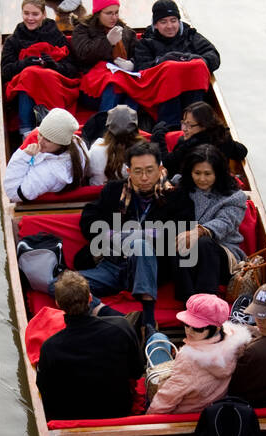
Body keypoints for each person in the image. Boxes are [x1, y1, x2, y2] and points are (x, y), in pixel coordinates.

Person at [77, 141, 195, 331]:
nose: (145, 177)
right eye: (138, 171)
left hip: (152, 267)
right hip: (113, 265)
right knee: (59, 285)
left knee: (140, 245)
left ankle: (148, 323)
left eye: (150, 170)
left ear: (160, 169)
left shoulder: (176, 196)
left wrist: (141, 236)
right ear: (128, 171)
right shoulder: (114, 190)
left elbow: (182, 233)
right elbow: (89, 220)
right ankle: (116, 316)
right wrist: (110, 235)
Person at [36, 271, 143, 421]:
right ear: (90, 299)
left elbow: (46, 390)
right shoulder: (122, 327)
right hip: (118, 409)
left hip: (70, 415)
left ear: (58, 304)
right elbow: (137, 372)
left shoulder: (50, 347)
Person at [148, 294, 251, 415]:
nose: (189, 330)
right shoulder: (234, 342)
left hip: (179, 416)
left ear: (217, 328)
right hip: (204, 408)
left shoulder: (188, 360)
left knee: (157, 339)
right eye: (186, 324)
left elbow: (162, 404)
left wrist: (146, 419)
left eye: (198, 328)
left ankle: (151, 333)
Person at [173, 145, 249, 299]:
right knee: (177, 238)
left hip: (222, 253)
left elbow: (225, 222)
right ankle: (186, 298)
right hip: (189, 252)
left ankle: (206, 299)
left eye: (208, 174)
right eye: (197, 173)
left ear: (218, 173)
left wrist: (199, 231)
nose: (202, 179)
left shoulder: (235, 197)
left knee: (204, 243)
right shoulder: (182, 184)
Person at [0, 0, 76, 136]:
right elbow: (5, 71)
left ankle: (46, 128)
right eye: (26, 13)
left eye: (35, 14)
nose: (30, 18)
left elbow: (72, 69)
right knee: (29, 75)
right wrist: (24, 63)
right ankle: (26, 131)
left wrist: (53, 65)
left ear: (44, 14)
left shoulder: (57, 37)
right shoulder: (13, 40)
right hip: (25, 88)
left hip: (53, 86)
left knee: (33, 75)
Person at [134, 0, 220, 125]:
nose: (170, 26)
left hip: (193, 98)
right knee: (169, 69)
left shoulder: (190, 36)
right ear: (155, 24)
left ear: (179, 21)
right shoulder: (146, 43)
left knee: (199, 65)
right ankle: (170, 126)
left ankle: (195, 123)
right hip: (164, 100)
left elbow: (213, 56)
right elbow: (142, 70)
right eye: (163, 22)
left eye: (173, 21)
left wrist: (193, 59)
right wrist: (163, 62)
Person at [70, 0, 141, 111]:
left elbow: (140, 54)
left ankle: (129, 126)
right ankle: (104, 125)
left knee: (133, 90)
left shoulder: (126, 32)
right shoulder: (82, 30)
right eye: (109, 13)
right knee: (113, 82)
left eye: (116, 12)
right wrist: (107, 42)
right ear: (98, 13)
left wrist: (132, 63)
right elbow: (83, 55)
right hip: (92, 88)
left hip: (122, 83)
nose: (114, 17)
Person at [3, 107, 88, 203]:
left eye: (48, 140)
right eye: (40, 134)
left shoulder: (47, 173)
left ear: (61, 144)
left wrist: (23, 156)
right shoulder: (78, 143)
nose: (40, 141)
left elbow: (13, 194)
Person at [153, 101, 248, 179]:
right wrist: (228, 140)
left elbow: (165, 163)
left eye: (189, 125)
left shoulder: (189, 146)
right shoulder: (221, 136)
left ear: (204, 125)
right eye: (184, 123)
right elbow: (242, 151)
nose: (184, 129)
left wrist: (158, 136)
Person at [86, 104, 139, 185]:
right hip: (130, 195)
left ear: (108, 127)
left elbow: (86, 173)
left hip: (98, 196)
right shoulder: (145, 152)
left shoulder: (96, 149)